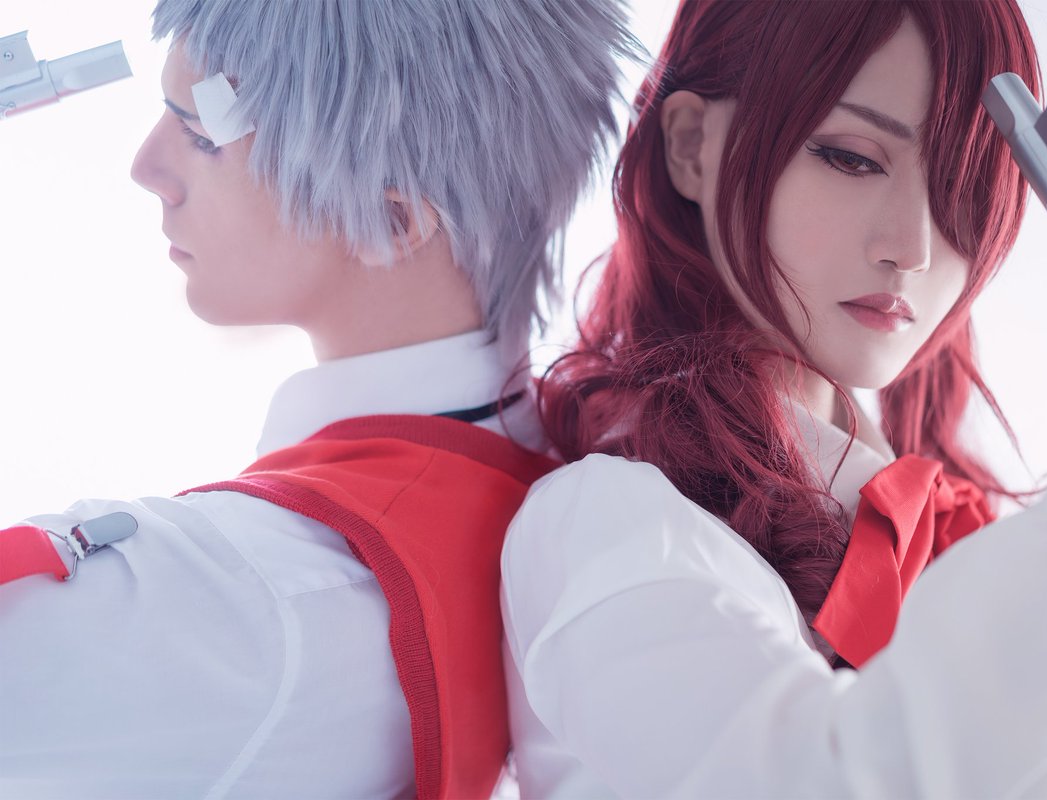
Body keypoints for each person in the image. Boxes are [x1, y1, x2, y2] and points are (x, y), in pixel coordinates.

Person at [499, 0, 1047, 796]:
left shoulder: (952, 536)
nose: (913, 246)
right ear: (692, 145)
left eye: (964, 184)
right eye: (852, 158)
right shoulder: (602, 525)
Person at [0, 1, 634, 797]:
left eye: (202, 138)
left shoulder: (235, 598)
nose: (146, 167)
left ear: (388, 221)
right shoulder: (552, 470)